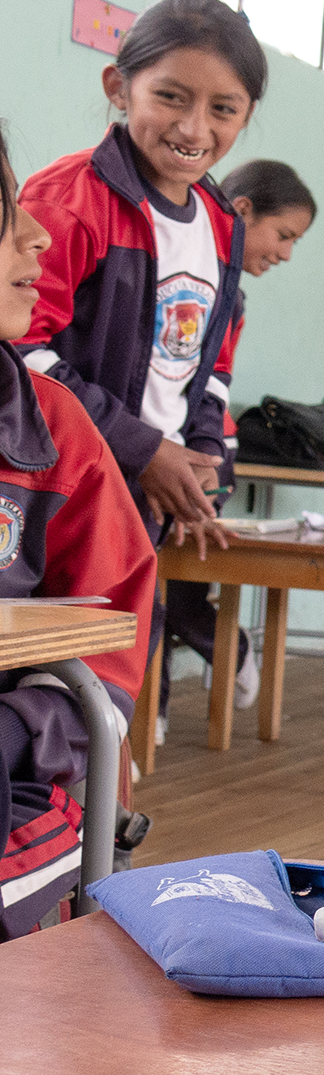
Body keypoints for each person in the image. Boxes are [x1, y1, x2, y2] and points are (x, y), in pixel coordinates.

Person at [18, 0, 265, 556]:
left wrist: (199, 465)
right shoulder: (72, 199)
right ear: (118, 88)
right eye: (170, 97)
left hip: (147, 493)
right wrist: (145, 449)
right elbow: (22, 348)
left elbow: (211, 362)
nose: (194, 128)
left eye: (223, 109)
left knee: (131, 639)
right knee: (63, 638)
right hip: (58, 483)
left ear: (246, 113)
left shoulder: (222, 222)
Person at [0, 126, 156, 940]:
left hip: (25, 768)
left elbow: (110, 632)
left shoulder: (51, 428)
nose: (36, 231)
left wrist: (20, 728)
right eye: (2, 215)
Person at [157, 160, 315, 737]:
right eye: (285, 235)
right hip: (156, 442)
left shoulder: (229, 294)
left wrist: (196, 454)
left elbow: (213, 377)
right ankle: (153, 711)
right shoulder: (187, 261)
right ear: (244, 210)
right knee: (149, 585)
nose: (288, 253)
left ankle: (223, 654)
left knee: (178, 576)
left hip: (205, 447)